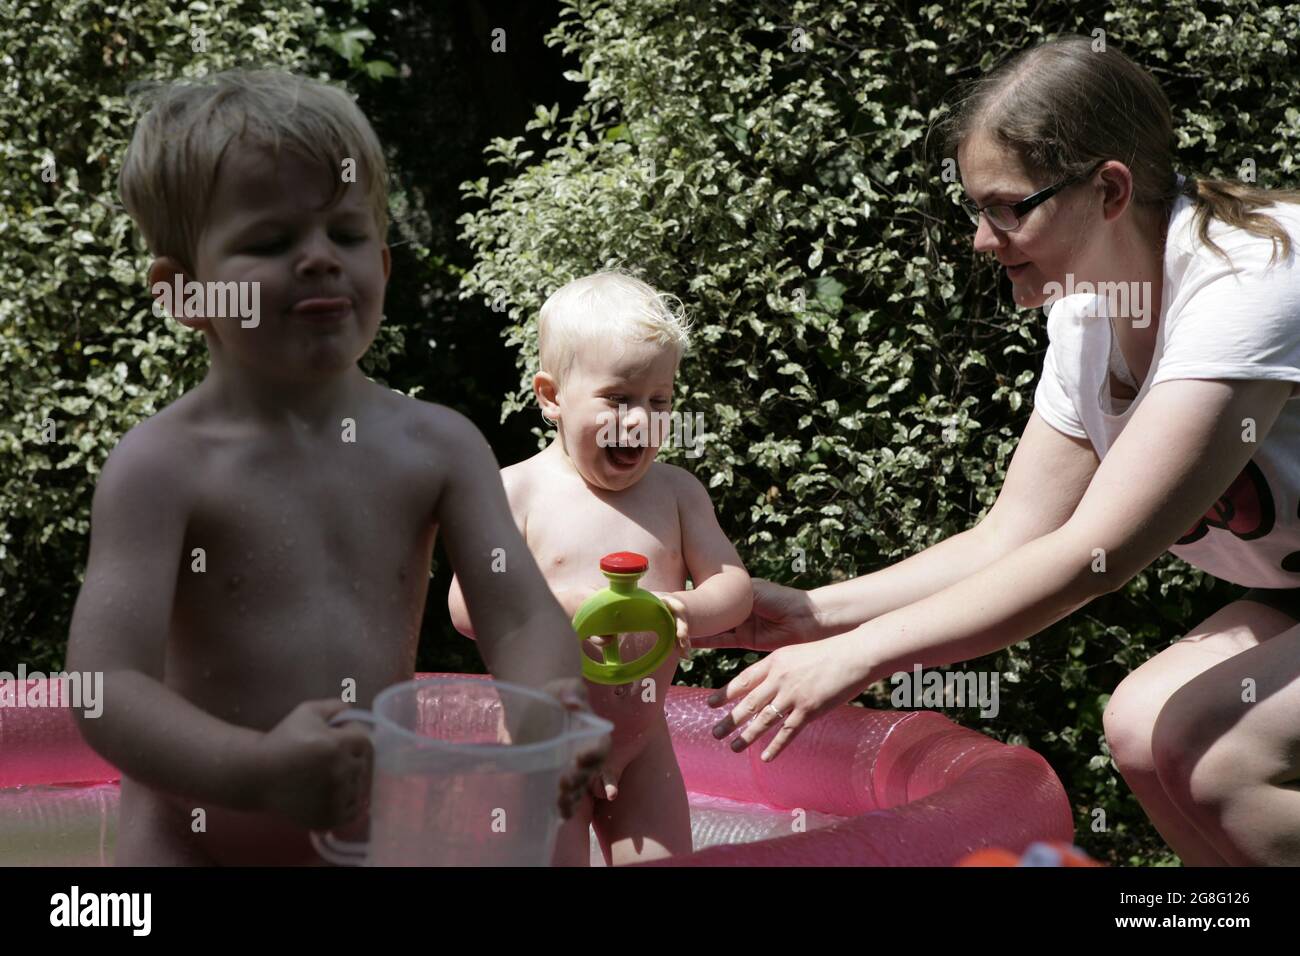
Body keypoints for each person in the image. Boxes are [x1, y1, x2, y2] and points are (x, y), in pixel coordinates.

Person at [698, 36, 1300, 866]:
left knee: (1222, 756)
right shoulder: (1089, 315)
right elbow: (1012, 535)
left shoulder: (1251, 280)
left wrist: (860, 656)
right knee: (1137, 727)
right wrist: (811, 615)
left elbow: (1095, 555)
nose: (984, 239)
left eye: (1007, 207)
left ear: (1110, 190)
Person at [66, 70, 604, 865]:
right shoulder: (162, 467)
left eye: (346, 235)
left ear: (383, 264)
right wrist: (252, 773)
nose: (319, 258)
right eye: (271, 242)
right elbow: (103, 686)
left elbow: (520, 618)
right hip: (193, 847)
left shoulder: (438, 446)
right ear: (182, 293)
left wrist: (549, 713)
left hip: (365, 843)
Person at [449, 271, 752, 864]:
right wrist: (561, 605)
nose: (638, 420)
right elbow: (466, 605)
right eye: (617, 398)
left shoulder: (677, 495)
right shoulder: (517, 492)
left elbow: (734, 589)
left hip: (641, 742)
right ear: (552, 396)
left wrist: (687, 607)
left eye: (659, 401)